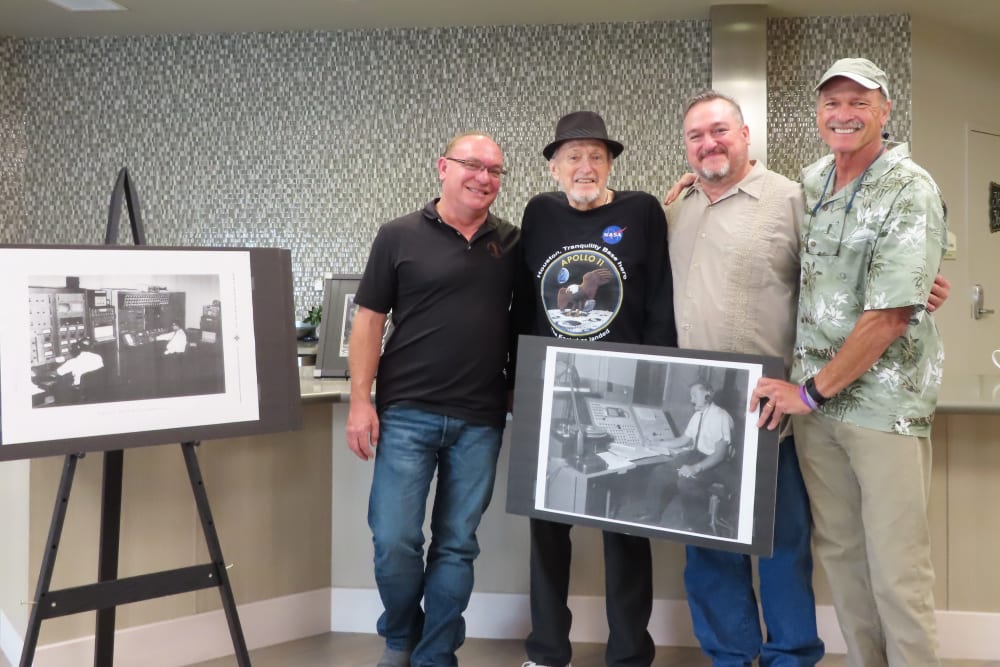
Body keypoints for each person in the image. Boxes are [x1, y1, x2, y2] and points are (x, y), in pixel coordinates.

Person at [752, 58, 948, 667]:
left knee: (897, 569)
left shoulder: (910, 186)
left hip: (880, 406)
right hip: (819, 411)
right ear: (818, 113)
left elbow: (891, 315)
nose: (844, 113)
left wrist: (809, 392)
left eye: (860, 102)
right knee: (843, 560)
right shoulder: (812, 182)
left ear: (885, 112)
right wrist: (686, 187)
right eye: (832, 102)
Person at [345, 132, 519, 667]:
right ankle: (401, 635)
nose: (484, 178)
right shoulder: (397, 235)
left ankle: (436, 653)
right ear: (443, 167)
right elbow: (369, 320)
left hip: (481, 419)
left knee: (456, 544)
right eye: (473, 165)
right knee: (394, 539)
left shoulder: (513, 243)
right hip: (406, 413)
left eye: (494, 171)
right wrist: (360, 401)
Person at [665, 89, 825, 666]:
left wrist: (919, 288)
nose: (709, 143)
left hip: (767, 414)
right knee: (709, 552)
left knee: (782, 550)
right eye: (696, 135)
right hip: (701, 412)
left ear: (745, 135)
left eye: (719, 131)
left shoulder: (793, 201)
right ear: (685, 147)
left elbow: (837, 288)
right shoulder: (677, 210)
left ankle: (790, 658)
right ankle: (729, 657)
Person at [513, 111, 676, 667]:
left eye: (597, 157)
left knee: (626, 529)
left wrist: (655, 376)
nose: (586, 167)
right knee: (546, 528)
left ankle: (630, 654)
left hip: (624, 389)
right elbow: (521, 305)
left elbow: (658, 299)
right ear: (555, 166)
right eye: (574, 157)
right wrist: (518, 383)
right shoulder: (538, 213)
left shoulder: (642, 211)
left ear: (611, 164)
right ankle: (546, 650)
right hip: (548, 389)